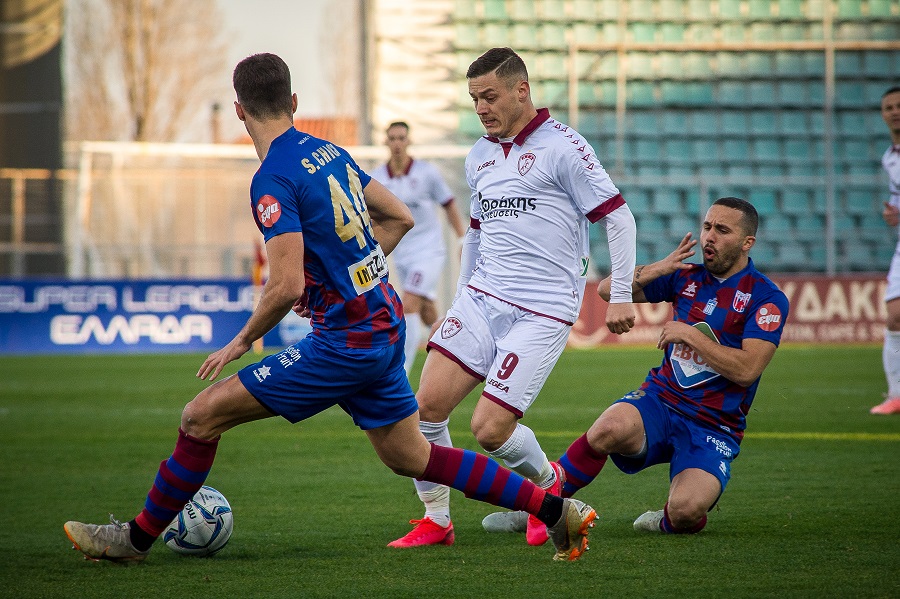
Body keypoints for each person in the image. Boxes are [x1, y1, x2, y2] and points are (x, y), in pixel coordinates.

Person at [62, 53, 597, 564]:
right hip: (382, 325)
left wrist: (242, 339)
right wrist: (356, 277)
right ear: (293, 101)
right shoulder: (329, 153)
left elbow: (286, 284)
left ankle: (132, 539)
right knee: (414, 457)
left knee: (199, 418)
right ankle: (557, 509)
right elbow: (399, 216)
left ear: (239, 111)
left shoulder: (272, 178)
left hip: (345, 343)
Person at [388, 47, 637, 548]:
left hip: (541, 310)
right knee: (424, 412)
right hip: (481, 299)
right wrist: (459, 300)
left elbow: (618, 217)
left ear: (521, 90)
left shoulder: (563, 147)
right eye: (474, 98)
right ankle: (437, 519)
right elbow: (475, 236)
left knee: (490, 429)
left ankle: (549, 489)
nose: (481, 107)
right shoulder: (479, 154)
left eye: (490, 96)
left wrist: (622, 295)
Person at [485, 197, 789, 535]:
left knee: (686, 511)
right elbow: (604, 289)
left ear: (748, 242)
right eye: (706, 227)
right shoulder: (685, 278)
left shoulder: (766, 298)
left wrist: (691, 336)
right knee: (607, 428)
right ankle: (538, 506)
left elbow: (748, 370)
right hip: (662, 402)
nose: (708, 238)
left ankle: (666, 519)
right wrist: (660, 268)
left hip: (714, 426)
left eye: (722, 230)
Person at [371, 122, 466, 375]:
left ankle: (399, 371)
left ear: (408, 141)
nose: (397, 143)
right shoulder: (378, 178)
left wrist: (461, 239)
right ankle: (458, 351)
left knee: (409, 304)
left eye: (401, 138)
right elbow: (370, 215)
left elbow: (449, 203)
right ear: (386, 142)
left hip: (429, 251)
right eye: (392, 138)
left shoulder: (427, 173)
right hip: (401, 253)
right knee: (426, 312)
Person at [871, 85, 900, 415]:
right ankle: (896, 394)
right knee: (894, 316)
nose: (894, 111)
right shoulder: (889, 157)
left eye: (899, 105)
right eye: (888, 107)